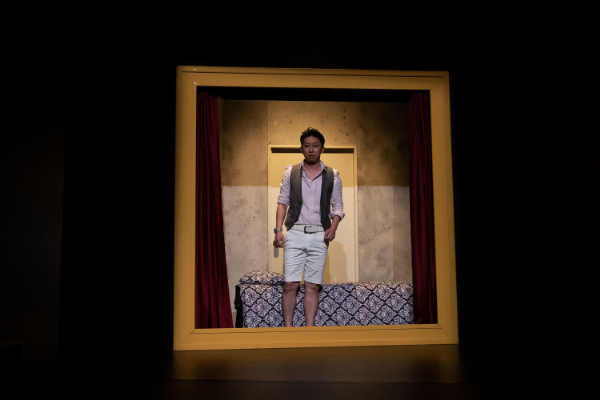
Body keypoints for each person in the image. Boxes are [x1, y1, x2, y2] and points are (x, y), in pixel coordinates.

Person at [273, 127, 344, 327]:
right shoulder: (291, 172)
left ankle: (309, 331)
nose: (311, 150)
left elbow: (338, 207)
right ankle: (288, 330)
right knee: (290, 284)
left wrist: (333, 227)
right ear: (301, 149)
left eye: (315, 146)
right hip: (295, 232)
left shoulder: (332, 175)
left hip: (319, 235)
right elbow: (282, 202)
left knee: (312, 286)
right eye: (307, 146)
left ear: (322, 148)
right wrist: (278, 230)